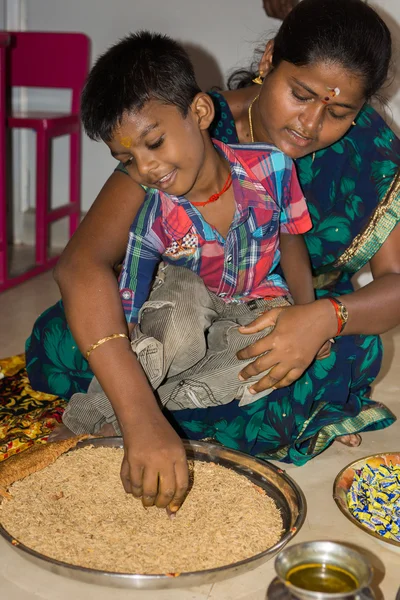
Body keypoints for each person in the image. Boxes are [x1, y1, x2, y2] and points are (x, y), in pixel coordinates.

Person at [26, 0, 399, 514]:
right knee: (63, 336)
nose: (311, 125)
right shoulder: (186, 125)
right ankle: (152, 412)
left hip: (279, 312)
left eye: (338, 112)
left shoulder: (370, 152)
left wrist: (319, 318)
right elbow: (82, 262)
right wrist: (140, 416)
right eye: (301, 95)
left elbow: (396, 283)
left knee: (348, 357)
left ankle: (152, 404)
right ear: (270, 61)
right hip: (179, 304)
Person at [57, 30, 318, 438]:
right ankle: (90, 417)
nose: (146, 168)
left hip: (257, 295)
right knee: (176, 338)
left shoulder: (272, 168)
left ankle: (166, 405)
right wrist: (128, 333)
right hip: (186, 289)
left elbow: (291, 239)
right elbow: (135, 279)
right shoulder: (154, 212)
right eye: (127, 159)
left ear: (199, 112)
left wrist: (305, 312)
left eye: (154, 143)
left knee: (269, 355)